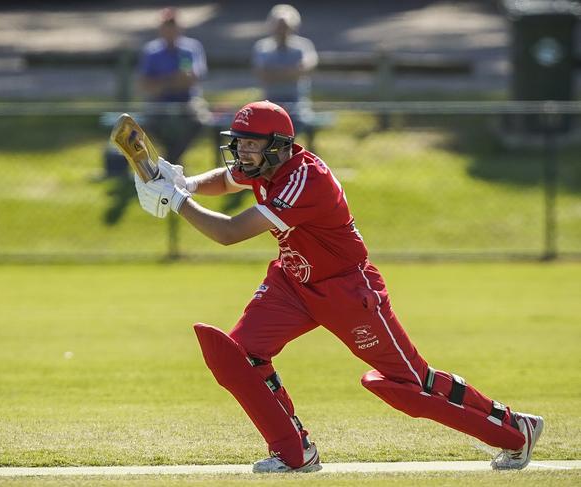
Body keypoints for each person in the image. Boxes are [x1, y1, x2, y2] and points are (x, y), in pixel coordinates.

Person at [131, 101, 544, 473]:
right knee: (242, 356)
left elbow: (229, 232)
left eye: (250, 146)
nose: (242, 153)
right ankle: (294, 451)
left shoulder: (303, 180)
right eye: (238, 144)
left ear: (279, 146)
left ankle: (514, 429)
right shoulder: (262, 164)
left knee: (412, 384)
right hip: (292, 282)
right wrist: (185, 182)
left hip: (347, 291)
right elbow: (227, 178)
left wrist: (177, 200)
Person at [137, 6, 209, 166]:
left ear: (180, 28)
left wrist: (162, 82)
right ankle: (173, 160)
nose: (170, 30)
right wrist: (172, 81)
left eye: (173, 25)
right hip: (158, 102)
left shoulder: (190, 49)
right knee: (148, 123)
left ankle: (170, 160)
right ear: (160, 28)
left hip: (187, 100)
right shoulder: (151, 51)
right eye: (166, 26)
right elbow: (145, 84)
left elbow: (192, 79)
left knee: (200, 121)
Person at [252, 4, 318, 130]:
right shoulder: (261, 47)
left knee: (296, 123)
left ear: (293, 26)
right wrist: (291, 72)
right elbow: (262, 74)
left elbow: (307, 67)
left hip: (297, 104)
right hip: (269, 103)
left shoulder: (304, 46)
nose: (281, 31)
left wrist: (275, 73)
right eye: (278, 27)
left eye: (285, 27)